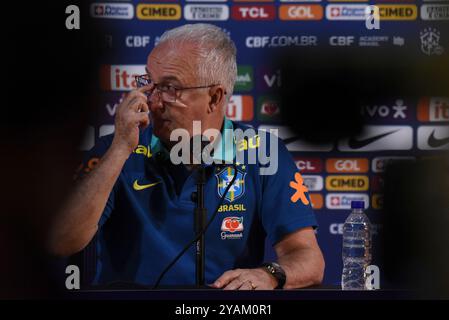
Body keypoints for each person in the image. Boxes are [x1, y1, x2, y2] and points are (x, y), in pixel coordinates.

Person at [48, 23, 324, 290]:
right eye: (148, 83)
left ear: (215, 98)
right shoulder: (115, 149)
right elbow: (61, 241)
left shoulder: (262, 153)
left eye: (169, 88)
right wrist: (120, 149)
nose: (152, 101)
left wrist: (270, 274)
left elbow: (308, 258)